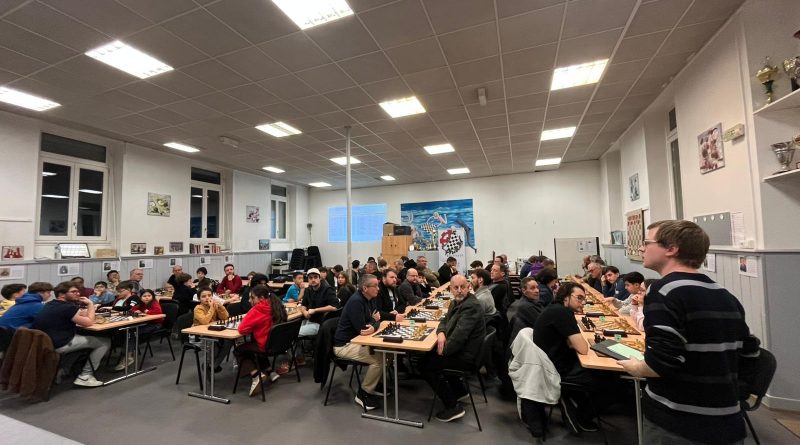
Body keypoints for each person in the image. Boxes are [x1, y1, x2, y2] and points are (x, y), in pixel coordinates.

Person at [617, 220, 760, 444]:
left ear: (672, 249)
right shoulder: (725, 295)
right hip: (726, 420)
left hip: (677, 422)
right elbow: (750, 353)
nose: (642, 248)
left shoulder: (663, 291)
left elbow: (662, 362)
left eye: (647, 242)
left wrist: (635, 367)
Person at [533, 282, 599, 432]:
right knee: (612, 381)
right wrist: (576, 342)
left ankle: (577, 403)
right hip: (557, 369)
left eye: (584, 299)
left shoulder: (556, 308)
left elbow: (572, 342)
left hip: (551, 362)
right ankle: (582, 417)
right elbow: (583, 349)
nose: (583, 303)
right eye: (579, 298)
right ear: (566, 297)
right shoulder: (563, 313)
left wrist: (573, 342)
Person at [421, 275, 486, 422]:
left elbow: (458, 339)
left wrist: (442, 351)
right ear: (450, 289)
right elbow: (444, 320)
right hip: (463, 351)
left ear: (469, 287)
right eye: (456, 287)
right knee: (430, 357)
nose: (459, 290)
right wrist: (441, 333)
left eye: (463, 287)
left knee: (425, 365)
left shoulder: (470, 307)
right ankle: (460, 391)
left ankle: (453, 407)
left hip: (467, 357)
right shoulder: (456, 302)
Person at [33, 281, 110, 387]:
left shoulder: (50, 304)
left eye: (78, 291)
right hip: (61, 343)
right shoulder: (67, 307)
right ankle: (85, 376)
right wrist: (90, 304)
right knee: (104, 342)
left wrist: (82, 312)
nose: (78, 294)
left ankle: (63, 370)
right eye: (73, 292)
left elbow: (72, 315)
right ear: (62, 294)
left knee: (83, 342)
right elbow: (89, 322)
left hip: (48, 342)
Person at [333, 274, 383, 411]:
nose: (378, 288)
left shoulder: (371, 298)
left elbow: (376, 319)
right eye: (375, 286)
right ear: (365, 288)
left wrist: (374, 323)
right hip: (345, 345)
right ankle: (363, 393)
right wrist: (374, 322)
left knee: (388, 353)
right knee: (379, 360)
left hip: (358, 341)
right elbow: (363, 329)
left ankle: (374, 384)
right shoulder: (356, 301)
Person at [235, 285, 287, 396]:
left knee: (239, 349)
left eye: (252, 298)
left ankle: (255, 375)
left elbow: (242, 329)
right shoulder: (276, 304)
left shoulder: (258, 309)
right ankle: (270, 372)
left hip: (265, 346)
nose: (249, 300)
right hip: (278, 344)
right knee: (254, 343)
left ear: (261, 298)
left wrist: (251, 325)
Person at [116, 289, 163, 371]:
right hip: (145, 323)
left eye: (149, 296)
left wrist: (146, 311)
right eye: (144, 296)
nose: (147, 298)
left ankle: (128, 356)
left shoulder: (154, 303)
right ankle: (128, 354)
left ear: (153, 297)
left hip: (155, 324)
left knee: (132, 332)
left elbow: (158, 311)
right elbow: (132, 309)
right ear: (140, 298)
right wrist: (136, 310)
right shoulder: (141, 304)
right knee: (126, 331)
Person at [193, 287, 231, 372]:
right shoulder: (198, 308)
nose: (207, 298)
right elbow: (205, 321)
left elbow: (225, 317)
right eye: (204, 296)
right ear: (199, 299)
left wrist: (220, 306)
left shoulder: (213, 306)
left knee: (229, 341)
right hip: (200, 335)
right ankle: (209, 364)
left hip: (213, 332)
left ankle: (213, 365)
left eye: (209, 295)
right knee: (214, 342)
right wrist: (212, 308)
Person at [298, 268, 338, 338]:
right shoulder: (308, 290)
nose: (313, 280)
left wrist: (315, 310)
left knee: (293, 333)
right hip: (309, 320)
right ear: (308, 280)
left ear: (320, 278)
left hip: (321, 323)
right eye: (310, 278)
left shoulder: (328, 290)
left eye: (315, 277)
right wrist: (304, 312)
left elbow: (334, 307)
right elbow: (303, 305)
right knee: (289, 329)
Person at [507, 277, 546, 345]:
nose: (537, 290)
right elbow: (543, 327)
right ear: (524, 290)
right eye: (532, 288)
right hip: (530, 343)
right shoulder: (526, 307)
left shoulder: (532, 301)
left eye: (537, 287)